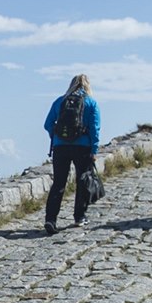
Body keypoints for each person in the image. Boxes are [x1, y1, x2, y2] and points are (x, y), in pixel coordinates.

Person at [42, 73, 101, 234]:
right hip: (83, 147)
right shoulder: (91, 103)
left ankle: (50, 219)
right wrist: (94, 150)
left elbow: (47, 124)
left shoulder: (60, 101)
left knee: (59, 183)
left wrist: (57, 137)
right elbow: (95, 129)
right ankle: (79, 217)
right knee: (82, 181)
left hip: (60, 147)